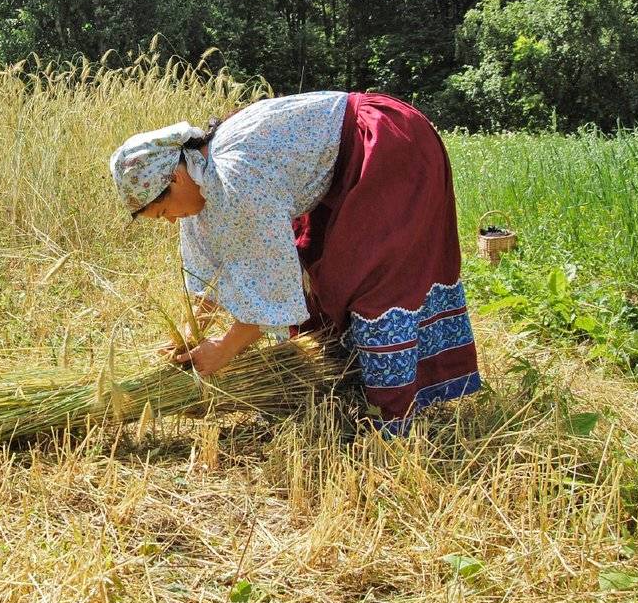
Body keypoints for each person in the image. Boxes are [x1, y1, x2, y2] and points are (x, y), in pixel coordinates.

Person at [109, 91, 480, 435]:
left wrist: (224, 349)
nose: (171, 221)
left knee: (374, 283)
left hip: (386, 148)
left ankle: (393, 422)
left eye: (162, 212)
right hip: (338, 168)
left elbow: (276, 290)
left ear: (174, 177)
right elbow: (207, 266)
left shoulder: (236, 177)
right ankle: (347, 383)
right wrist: (193, 333)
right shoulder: (199, 176)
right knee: (322, 273)